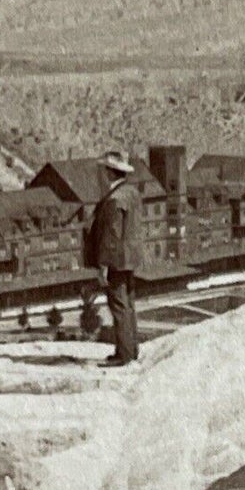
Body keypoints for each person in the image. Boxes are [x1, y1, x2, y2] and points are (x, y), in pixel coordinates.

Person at [87, 149, 142, 366]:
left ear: (110, 172)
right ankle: (131, 349)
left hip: (116, 259)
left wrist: (103, 266)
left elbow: (112, 235)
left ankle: (124, 355)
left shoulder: (113, 200)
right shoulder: (132, 193)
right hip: (131, 257)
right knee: (128, 304)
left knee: (118, 305)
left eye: (104, 170)